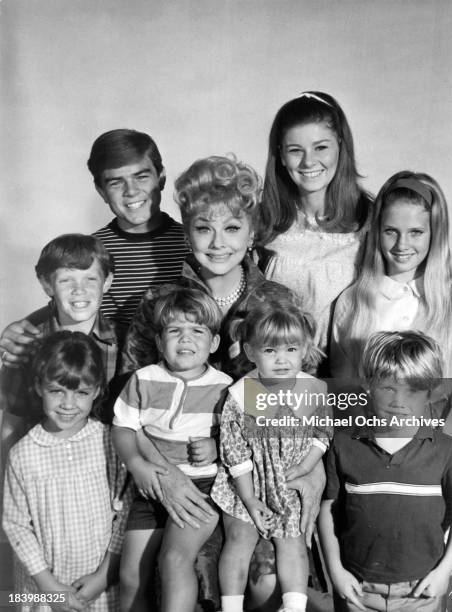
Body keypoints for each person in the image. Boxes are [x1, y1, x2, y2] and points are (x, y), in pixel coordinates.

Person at [121, 155, 326, 612]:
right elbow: (128, 405)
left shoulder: (277, 303)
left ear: (252, 233)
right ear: (187, 230)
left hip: (256, 476)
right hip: (178, 473)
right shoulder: (159, 303)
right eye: (203, 228)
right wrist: (164, 473)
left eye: (232, 228)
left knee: (267, 583)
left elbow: (305, 400)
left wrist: (309, 467)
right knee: (150, 576)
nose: (217, 244)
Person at [330, 170, 452, 574]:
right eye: (391, 231)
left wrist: (434, 464)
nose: (403, 245)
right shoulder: (353, 302)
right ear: (376, 232)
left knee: (431, 581)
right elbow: (346, 398)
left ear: (436, 234)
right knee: (370, 576)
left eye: (417, 232)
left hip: (438, 471)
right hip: (370, 469)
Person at [318, 331, 452, 612]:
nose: (398, 401)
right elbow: (328, 509)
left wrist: (444, 572)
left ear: (432, 392)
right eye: (388, 388)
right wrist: (336, 571)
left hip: (421, 590)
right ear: (368, 385)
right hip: (356, 587)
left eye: (413, 390)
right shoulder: (343, 444)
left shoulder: (447, 451)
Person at [0, 128, 188, 361]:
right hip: (110, 382)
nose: (131, 191)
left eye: (141, 177)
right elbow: (65, 305)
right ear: (101, 191)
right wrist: (24, 325)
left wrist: (249, 395)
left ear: (161, 177)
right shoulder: (91, 253)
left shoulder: (195, 246)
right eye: (116, 182)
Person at [113, 288, 232, 612]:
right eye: (174, 330)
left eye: (197, 331)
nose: (186, 339)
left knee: (174, 560)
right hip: (149, 490)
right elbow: (123, 426)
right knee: (131, 577)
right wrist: (136, 464)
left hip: (203, 490)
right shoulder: (143, 379)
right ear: (159, 340)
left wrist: (218, 446)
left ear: (214, 343)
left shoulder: (226, 388)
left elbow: (241, 440)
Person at [211, 303, 329, 612]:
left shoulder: (312, 390)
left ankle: (294, 606)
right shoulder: (242, 393)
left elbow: (322, 433)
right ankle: (231, 607)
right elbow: (234, 449)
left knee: (293, 541)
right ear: (250, 352)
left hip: (289, 480)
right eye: (270, 351)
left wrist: (305, 466)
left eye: (291, 349)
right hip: (247, 482)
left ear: (304, 349)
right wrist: (249, 499)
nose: (281, 359)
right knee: (239, 538)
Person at [2, 331, 129, 611]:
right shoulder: (23, 454)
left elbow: (125, 511)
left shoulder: (110, 442)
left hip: (100, 588)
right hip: (43, 592)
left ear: (97, 390)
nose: (68, 404)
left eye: (81, 392)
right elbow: (16, 525)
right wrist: (49, 589)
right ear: (38, 387)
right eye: (56, 390)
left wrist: (104, 574)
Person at [259, 91, 372, 353]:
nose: (309, 161)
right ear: (281, 155)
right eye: (295, 150)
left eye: (321, 147)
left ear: (341, 147)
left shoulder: (370, 221)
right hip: (279, 378)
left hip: (347, 378)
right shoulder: (263, 223)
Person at [0, 234, 121, 465]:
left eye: (90, 280)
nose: (79, 290)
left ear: (107, 282)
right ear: (47, 285)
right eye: (66, 280)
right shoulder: (26, 344)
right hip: (41, 468)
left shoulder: (123, 342)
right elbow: (11, 424)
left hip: (103, 466)